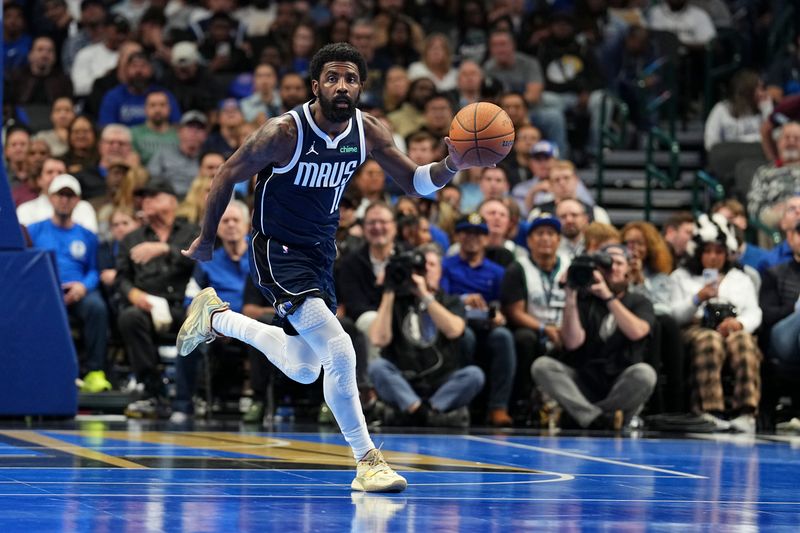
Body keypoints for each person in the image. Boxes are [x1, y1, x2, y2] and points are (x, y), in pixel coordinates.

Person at [177, 43, 478, 493]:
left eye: (351, 79)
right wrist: (206, 238)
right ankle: (367, 460)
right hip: (277, 250)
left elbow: (415, 182)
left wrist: (452, 163)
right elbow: (225, 175)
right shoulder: (283, 133)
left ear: (360, 87)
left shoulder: (368, 131)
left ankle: (217, 316)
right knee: (340, 351)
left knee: (303, 367)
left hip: (320, 253)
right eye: (333, 78)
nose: (342, 86)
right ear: (316, 86)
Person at [531, 244, 658, 430]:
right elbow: (572, 342)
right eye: (608, 264)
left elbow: (637, 331)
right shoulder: (584, 300)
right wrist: (570, 295)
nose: (613, 268)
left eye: (619, 263)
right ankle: (601, 419)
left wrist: (608, 297)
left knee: (645, 374)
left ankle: (584, 416)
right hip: (583, 382)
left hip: (620, 383)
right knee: (542, 366)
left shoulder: (640, 302)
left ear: (628, 271)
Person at [368, 244, 484, 428]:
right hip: (404, 381)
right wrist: (389, 291)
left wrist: (424, 295)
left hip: (441, 382)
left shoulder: (451, 301)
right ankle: (425, 413)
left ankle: (419, 411)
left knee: (474, 375)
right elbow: (378, 340)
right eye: (418, 268)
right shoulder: (397, 301)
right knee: (377, 367)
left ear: (440, 271)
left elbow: (455, 330)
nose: (424, 271)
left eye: (431, 265)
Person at [669, 214, 762, 433]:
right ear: (698, 252)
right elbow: (673, 316)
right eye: (708, 251)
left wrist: (739, 324)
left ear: (727, 254)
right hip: (696, 329)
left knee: (744, 341)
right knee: (709, 340)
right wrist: (697, 299)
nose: (713, 257)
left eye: (719, 252)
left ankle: (746, 412)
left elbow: (754, 312)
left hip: (731, 329)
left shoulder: (741, 278)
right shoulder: (681, 277)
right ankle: (708, 411)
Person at [27, 174, 111, 393]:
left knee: (98, 308)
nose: (64, 200)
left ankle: (95, 372)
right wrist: (47, 287)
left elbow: (94, 269)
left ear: (77, 200)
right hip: (45, 290)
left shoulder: (87, 235)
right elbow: (26, 265)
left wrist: (83, 287)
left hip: (78, 290)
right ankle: (42, 371)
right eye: (60, 195)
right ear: (51, 198)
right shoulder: (34, 230)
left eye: (69, 195)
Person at [441, 213, 516, 427]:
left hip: (487, 324)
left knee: (504, 337)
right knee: (466, 337)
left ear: (486, 238)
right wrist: (463, 300)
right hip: (458, 322)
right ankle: (463, 402)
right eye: (466, 233)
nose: (472, 238)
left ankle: (498, 406)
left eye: (478, 234)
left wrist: (498, 314)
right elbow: (442, 297)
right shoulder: (446, 265)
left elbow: (503, 302)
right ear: (457, 236)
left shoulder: (498, 271)